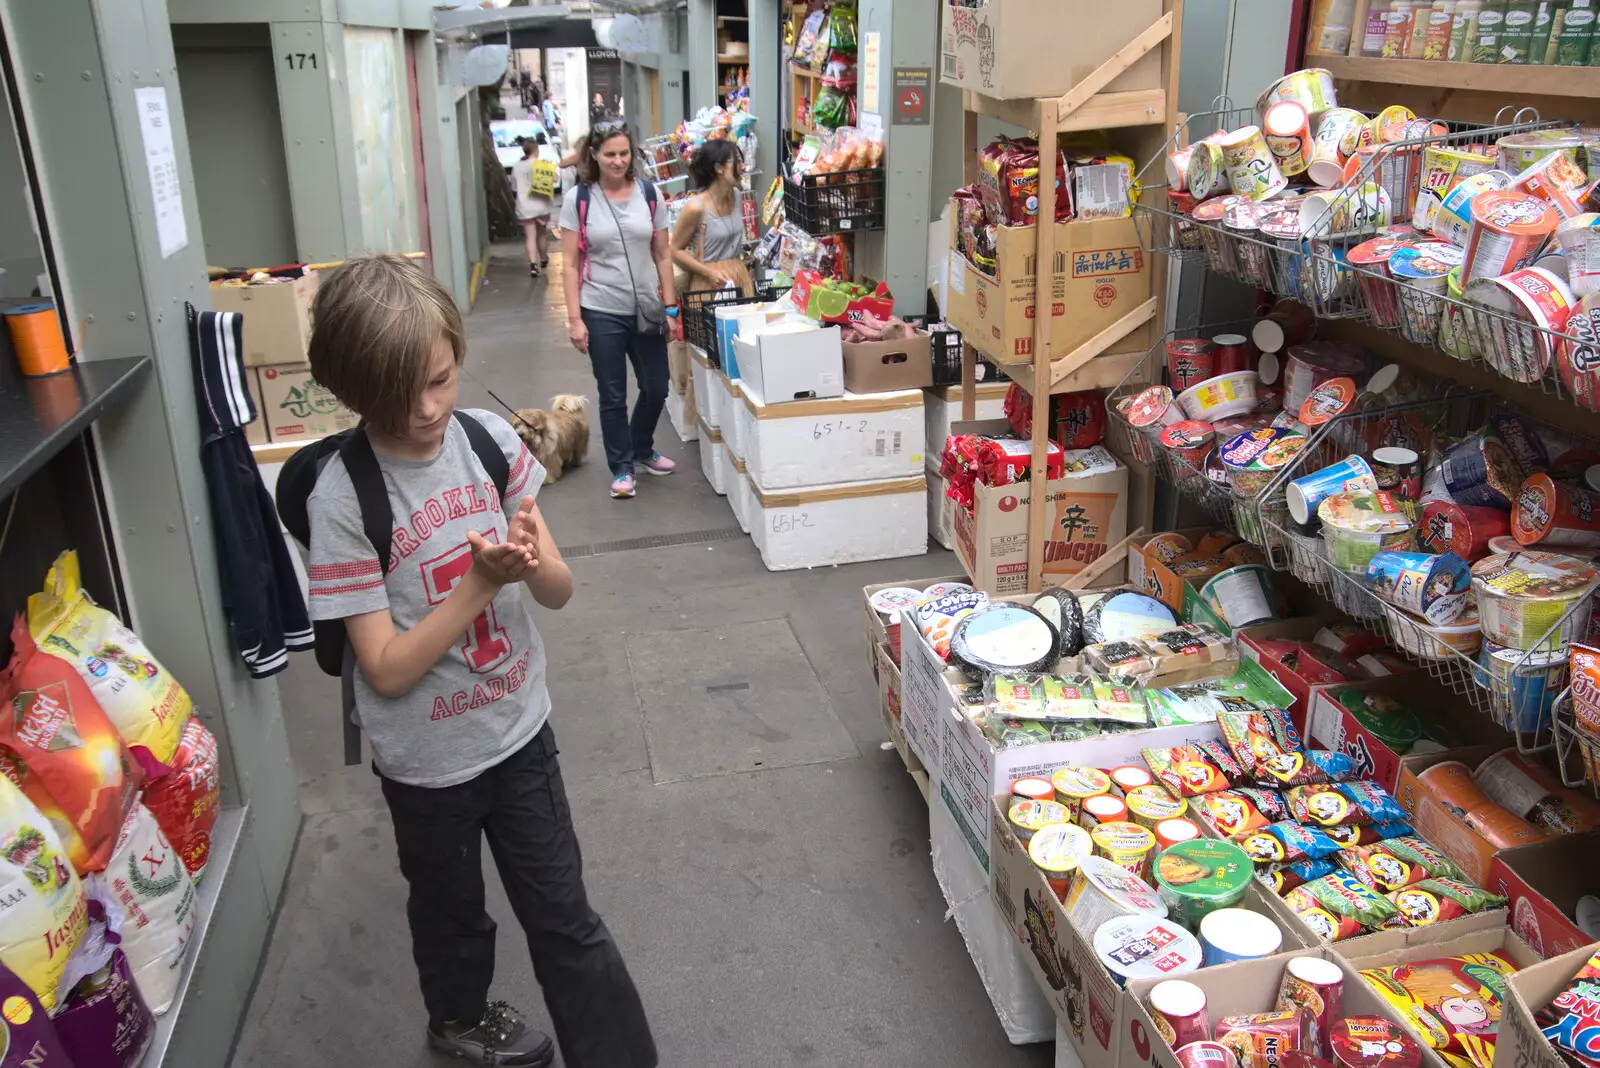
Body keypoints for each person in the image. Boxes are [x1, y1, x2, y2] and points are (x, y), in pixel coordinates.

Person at [304, 255, 657, 1068]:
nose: (427, 410)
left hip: (519, 731)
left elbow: (560, 593)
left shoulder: (492, 443)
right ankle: (457, 1017)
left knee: (566, 918)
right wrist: (477, 587)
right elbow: (385, 671)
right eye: (400, 397)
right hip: (427, 767)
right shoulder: (343, 500)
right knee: (452, 911)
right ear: (353, 388)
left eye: (440, 379)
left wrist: (535, 565)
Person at [560, 122, 678, 500]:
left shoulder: (648, 193)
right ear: (594, 155)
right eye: (609, 154)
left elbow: (663, 254)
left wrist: (672, 306)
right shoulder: (579, 199)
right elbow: (568, 263)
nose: (618, 160)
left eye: (624, 153)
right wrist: (575, 319)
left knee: (657, 386)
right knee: (612, 394)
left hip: (647, 307)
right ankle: (622, 467)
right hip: (600, 308)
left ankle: (642, 446)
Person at [669, 138, 751, 297]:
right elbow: (674, 250)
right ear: (719, 168)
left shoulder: (736, 195)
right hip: (709, 284)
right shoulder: (696, 207)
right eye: (737, 161)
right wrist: (708, 273)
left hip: (738, 278)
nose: (742, 166)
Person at [511, 135, 565, 277]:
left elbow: (515, 188)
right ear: (536, 150)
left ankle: (533, 265)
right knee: (541, 235)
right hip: (541, 206)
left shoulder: (517, 166)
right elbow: (554, 179)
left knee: (530, 236)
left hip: (525, 207)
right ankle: (543, 258)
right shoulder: (541, 165)